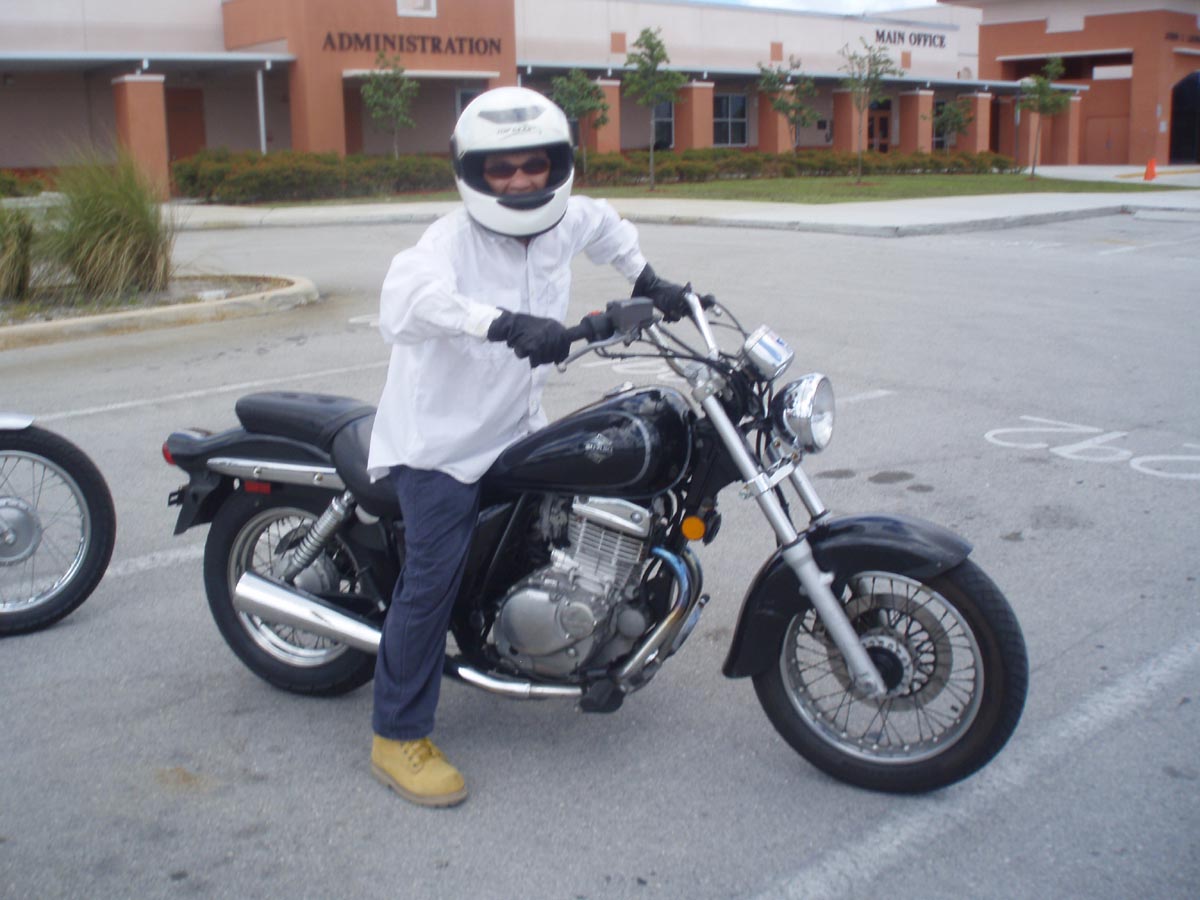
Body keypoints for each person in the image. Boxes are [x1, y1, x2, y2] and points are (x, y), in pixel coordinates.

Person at [365, 86, 694, 807]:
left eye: (534, 165)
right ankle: (397, 733)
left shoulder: (564, 221)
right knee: (433, 576)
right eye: (500, 168)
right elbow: (404, 304)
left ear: (558, 164)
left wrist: (648, 280)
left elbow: (604, 226)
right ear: (473, 173)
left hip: (515, 425)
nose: (519, 181)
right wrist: (501, 323)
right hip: (442, 445)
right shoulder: (448, 242)